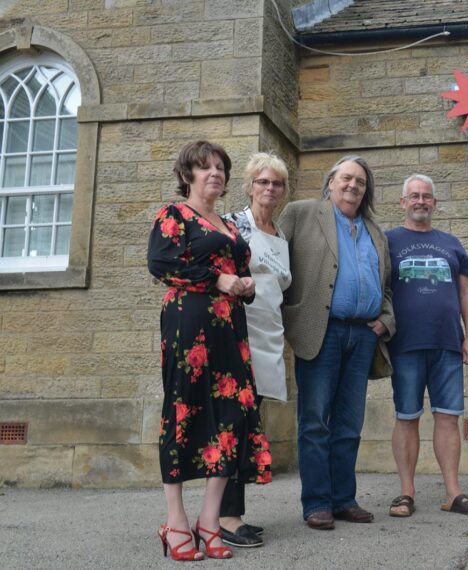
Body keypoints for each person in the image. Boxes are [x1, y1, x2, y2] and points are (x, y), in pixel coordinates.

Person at [148, 140, 272, 561]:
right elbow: (161, 263)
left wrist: (245, 285)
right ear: (188, 175)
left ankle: (209, 520)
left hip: (229, 331)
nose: (214, 173)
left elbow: (240, 270)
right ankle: (176, 522)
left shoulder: (231, 226)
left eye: (220, 167)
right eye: (205, 168)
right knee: (184, 412)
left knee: (232, 415)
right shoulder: (174, 215)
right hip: (189, 325)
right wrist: (218, 280)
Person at [277, 155, 395, 531]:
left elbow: (386, 286)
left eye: (360, 182)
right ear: (330, 182)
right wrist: (286, 314)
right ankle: (316, 502)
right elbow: (272, 264)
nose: (353, 186)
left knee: (349, 423)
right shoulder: (301, 213)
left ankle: (344, 499)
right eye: (346, 179)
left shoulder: (375, 231)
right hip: (320, 331)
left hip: (362, 335)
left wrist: (386, 320)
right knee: (315, 421)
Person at [385, 174, 468, 518]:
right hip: (405, 345)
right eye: (414, 196)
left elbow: (466, 293)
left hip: (447, 345)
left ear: (435, 203)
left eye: (427, 196)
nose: (421, 201)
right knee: (407, 417)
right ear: (403, 202)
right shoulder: (387, 241)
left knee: (448, 418)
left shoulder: (452, 243)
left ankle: (453, 492)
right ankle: (406, 493)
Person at [218, 152, 292, 548]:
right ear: (249, 186)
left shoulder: (279, 234)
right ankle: (226, 518)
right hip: (237, 338)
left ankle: (233, 513)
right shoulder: (233, 225)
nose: (269, 188)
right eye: (262, 182)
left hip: (268, 339)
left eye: (276, 183)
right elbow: (219, 273)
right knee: (232, 426)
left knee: (248, 428)